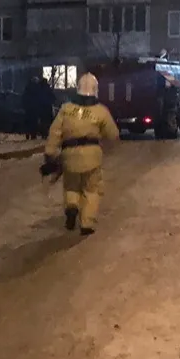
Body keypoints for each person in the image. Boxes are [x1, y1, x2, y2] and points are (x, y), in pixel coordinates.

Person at [41, 72, 119, 236]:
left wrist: (50, 152)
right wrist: (107, 147)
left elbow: (55, 132)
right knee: (92, 189)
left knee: (71, 185)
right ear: (95, 89)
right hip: (92, 156)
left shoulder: (66, 109)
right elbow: (113, 135)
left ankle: (72, 206)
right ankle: (87, 223)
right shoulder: (101, 111)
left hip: (69, 155)